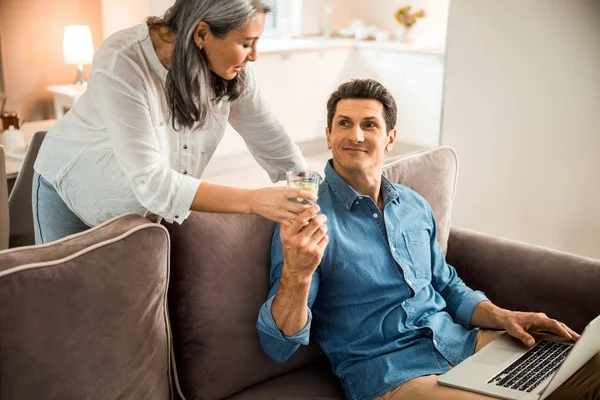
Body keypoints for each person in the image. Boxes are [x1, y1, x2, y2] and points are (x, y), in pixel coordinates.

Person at [256, 79, 595, 400]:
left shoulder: (413, 205)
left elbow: (446, 286)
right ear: (329, 135)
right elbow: (278, 345)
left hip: (461, 343)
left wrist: (503, 315)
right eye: (344, 124)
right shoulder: (306, 216)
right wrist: (297, 276)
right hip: (393, 373)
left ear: (390, 138)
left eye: (369, 125)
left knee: (586, 368)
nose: (355, 135)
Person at [32, 0, 314, 244]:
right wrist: (254, 201)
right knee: (67, 302)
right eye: (246, 43)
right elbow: (154, 183)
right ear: (202, 33)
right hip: (72, 193)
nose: (254, 55)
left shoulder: (232, 69)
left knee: (131, 300)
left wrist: (311, 185)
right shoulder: (122, 61)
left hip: (141, 206)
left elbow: (266, 132)